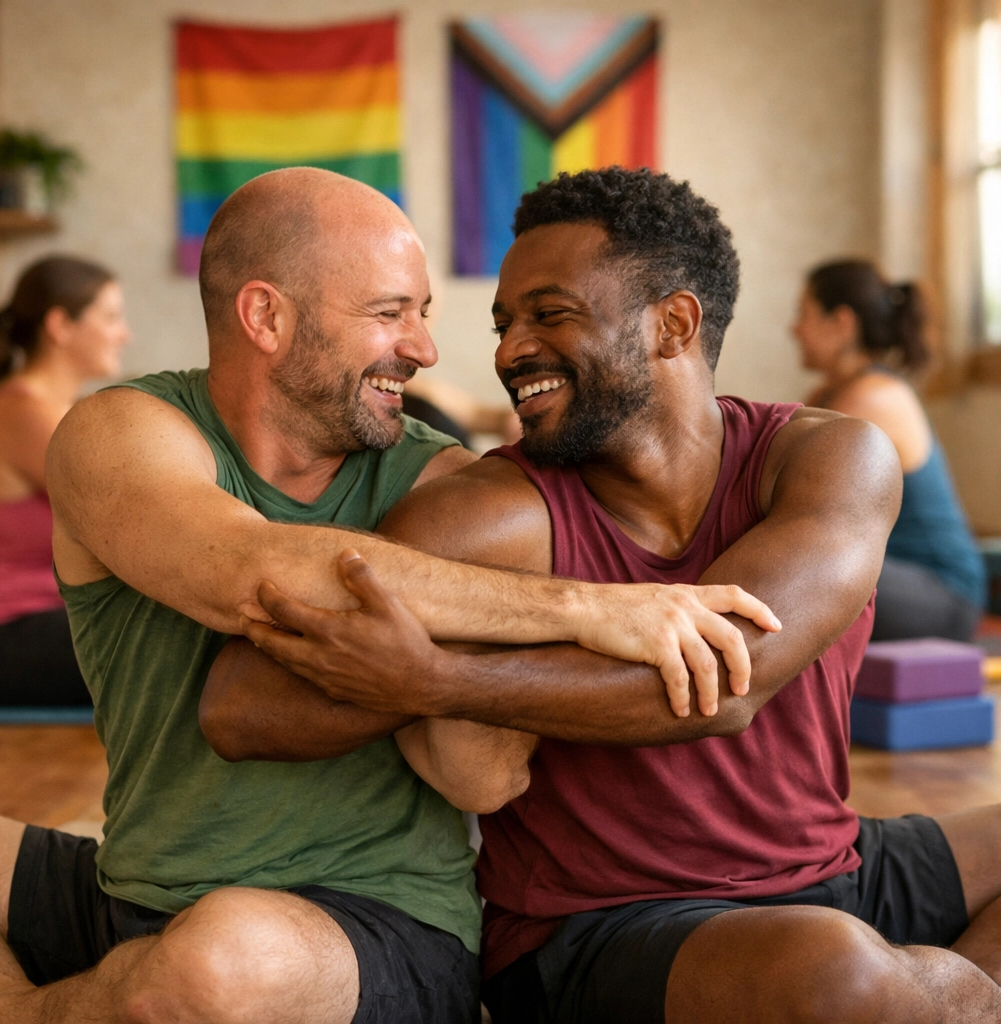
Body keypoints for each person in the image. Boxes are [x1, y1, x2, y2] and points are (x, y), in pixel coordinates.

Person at [0, 168, 778, 1024]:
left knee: (220, 962)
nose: (426, 349)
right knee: (193, 952)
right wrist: (587, 606)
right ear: (267, 316)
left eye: (424, 314)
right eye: (391, 312)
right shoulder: (121, 433)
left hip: (373, 926)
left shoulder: (447, 486)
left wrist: (442, 666)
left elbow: (482, 780)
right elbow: (252, 572)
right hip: (131, 889)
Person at [216, 169, 1001, 1023]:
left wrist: (434, 680)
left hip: (830, 872)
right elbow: (241, 708)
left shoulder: (828, 457)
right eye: (504, 323)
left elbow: (728, 683)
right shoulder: (494, 514)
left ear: (674, 323)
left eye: (549, 315)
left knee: (884, 975)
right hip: (600, 928)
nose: (510, 349)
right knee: (846, 971)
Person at [794, 259, 986, 641]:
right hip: (892, 576)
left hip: (941, 592)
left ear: (841, 324)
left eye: (805, 315)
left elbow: (790, 482)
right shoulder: (827, 394)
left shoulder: (875, 397)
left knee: (805, 566)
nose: (794, 329)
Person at [0, 255, 128, 706]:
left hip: (44, 617)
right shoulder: (21, 414)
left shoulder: (57, 413)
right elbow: (129, 513)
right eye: (112, 317)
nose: (125, 333)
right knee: (169, 647)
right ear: (61, 325)